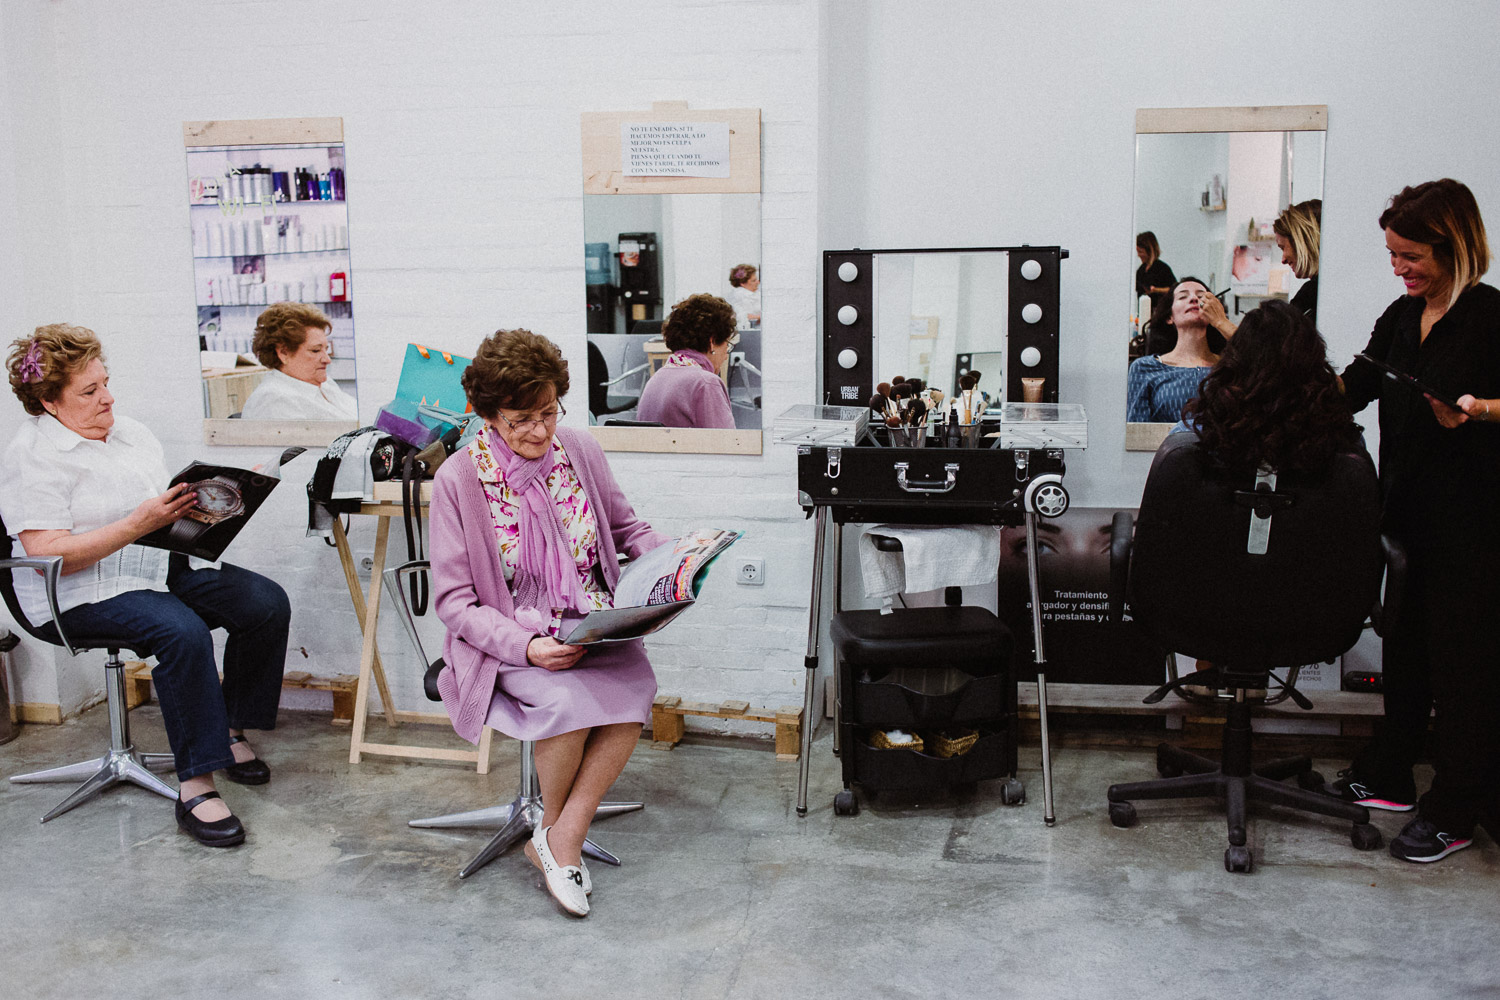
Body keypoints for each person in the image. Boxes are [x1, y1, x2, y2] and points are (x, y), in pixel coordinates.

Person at [1, 324, 291, 848]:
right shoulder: (32, 455)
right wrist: (138, 524)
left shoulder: (130, 433)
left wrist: (209, 505)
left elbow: (157, 517)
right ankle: (196, 788)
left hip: (149, 568)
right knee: (180, 631)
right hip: (73, 592)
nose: (107, 397)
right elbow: (48, 554)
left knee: (264, 603)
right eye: (89, 392)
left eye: (106, 382)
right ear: (48, 401)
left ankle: (228, 729)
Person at [429, 328, 669, 917]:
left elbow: (626, 530)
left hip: (591, 621)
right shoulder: (458, 481)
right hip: (507, 640)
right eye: (520, 420)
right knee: (566, 704)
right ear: (487, 416)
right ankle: (561, 843)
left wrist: (674, 559)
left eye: (548, 412)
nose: (539, 431)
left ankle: (558, 834)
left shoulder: (580, 449)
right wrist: (528, 647)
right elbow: (455, 603)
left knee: (635, 689)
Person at [1330, 178, 1500, 864]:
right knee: (1404, 658)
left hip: (1473, 526)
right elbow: (1354, 386)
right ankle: (1391, 772)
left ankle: (1456, 809)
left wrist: (1480, 410)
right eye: (1393, 256)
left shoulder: (1489, 318)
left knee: (1463, 672)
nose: (1398, 269)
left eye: (1411, 257)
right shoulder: (1402, 317)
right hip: (1402, 516)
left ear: (1453, 245)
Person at [239, 301, 357, 420]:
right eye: (315, 350)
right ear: (284, 353)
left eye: (326, 350)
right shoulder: (275, 401)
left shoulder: (325, 384)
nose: (327, 359)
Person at [635, 293, 737, 430]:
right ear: (712, 342)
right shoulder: (706, 383)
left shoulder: (657, 378)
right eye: (727, 345)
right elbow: (728, 445)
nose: (726, 356)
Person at [1126, 277, 1222, 422]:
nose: (1194, 298)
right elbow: (1137, 434)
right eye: (1183, 296)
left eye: (1202, 296)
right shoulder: (1145, 368)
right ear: (1170, 316)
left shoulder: (1229, 366)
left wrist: (1222, 323)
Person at [1276, 199, 1322, 325]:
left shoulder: (1311, 294)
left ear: (1302, 241)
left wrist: (1221, 322)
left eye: (1283, 247)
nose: (1283, 259)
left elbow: (1272, 343)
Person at [1135, 232, 1176, 316]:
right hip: (1144, 313)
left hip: (1160, 314)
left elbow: (1174, 290)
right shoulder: (1141, 270)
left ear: (1150, 251)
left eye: (1141, 252)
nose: (1139, 255)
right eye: (1138, 252)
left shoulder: (1162, 268)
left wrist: (1156, 290)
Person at [725, 263, 760, 330]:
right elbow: (743, 317)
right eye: (754, 280)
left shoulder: (755, 293)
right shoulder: (740, 295)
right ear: (743, 283)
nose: (758, 282)